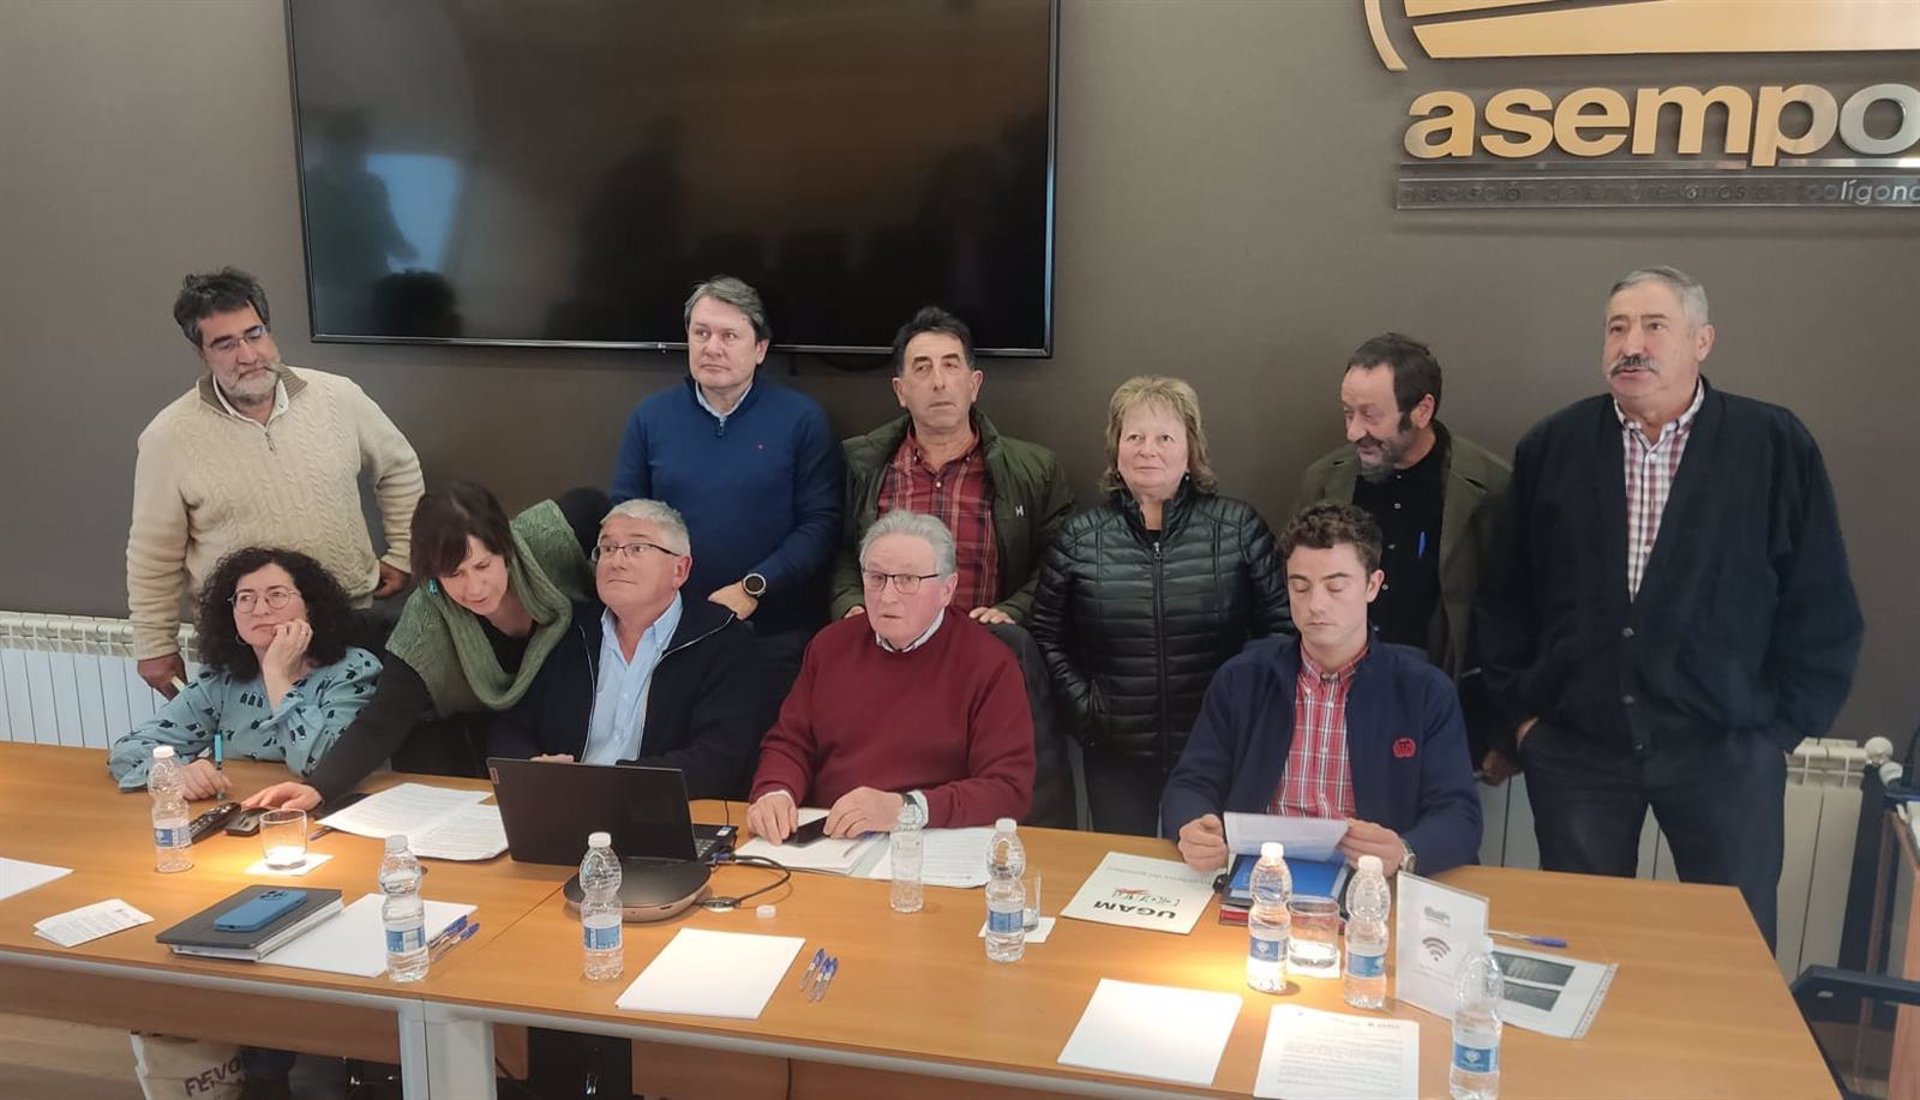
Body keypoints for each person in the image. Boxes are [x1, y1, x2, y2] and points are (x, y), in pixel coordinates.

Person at [1475, 266, 1862, 948]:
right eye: (1617, 328)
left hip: (1725, 750)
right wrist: (1525, 720)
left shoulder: (1773, 444)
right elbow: (1505, 595)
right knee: (1581, 942)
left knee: (1731, 951)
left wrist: (1776, 732)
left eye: (1655, 326)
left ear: (1702, 341)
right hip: (1580, 751)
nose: (1632, 345)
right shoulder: (1553, 446)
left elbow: (1821, 599)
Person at [128, 267, 423, 699]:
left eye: (254, 334)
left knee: (357, 740)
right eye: (225, 344)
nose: (247, 355)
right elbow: (153, 552)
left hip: (348, 625)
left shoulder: (339, 397)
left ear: (268, 329)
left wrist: (405, 551)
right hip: (245, 643)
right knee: (259, 744)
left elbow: (400, 469)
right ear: (201, 352)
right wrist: (154, 643)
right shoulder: (167, 436)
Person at [1028, 376, 1289, 835]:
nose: (1148, 450)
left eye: (1165, 438)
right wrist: (1089, 713)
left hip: (1217, 750)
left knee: (1208, 869)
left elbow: (1282, 629)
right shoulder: (1081, 537)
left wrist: (1242, 710)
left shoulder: (1238, 529)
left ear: (1191, 450)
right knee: (1124, 873)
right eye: (1135, 437)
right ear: (1117, 449)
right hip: (1116, 757)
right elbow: (1046, 636)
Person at [1163, 503, 1482, 876]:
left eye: (1335, 586)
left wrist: (1406, 850)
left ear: (1372, 585)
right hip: (1262, 871)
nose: (1315, 604)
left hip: (1370, 879)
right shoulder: (1242, 679)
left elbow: (1459, 815)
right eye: (1300, 587)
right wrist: (1193, 826)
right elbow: (1190, 784)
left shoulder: (1424, 691)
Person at [244, 482, 602, 812]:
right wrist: (318, 787)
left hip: (592, 699)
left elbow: (598, 506)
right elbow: (381, 720)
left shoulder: (546, 538)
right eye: (454, 575)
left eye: (482, 565)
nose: (475, 588)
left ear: (504, 547)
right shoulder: (424, 623)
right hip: (503, 740)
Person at [609, 276, 843, 688]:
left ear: (760, 349)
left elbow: (821, 525)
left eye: (729, 336)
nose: (712, 347)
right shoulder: (650, 417)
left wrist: (754, 587)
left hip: (773, 631)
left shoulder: (802, 420)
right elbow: (625, 518)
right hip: (669, 629)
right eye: (701, 333)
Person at [1294, 333, 1511, 777]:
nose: (1354, 431)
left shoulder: (1490, 489)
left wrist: (1502, 732)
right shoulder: (1325, 480)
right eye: (1348, 413)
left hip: (1439, 717)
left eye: (1371, 415)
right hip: (1333, 715)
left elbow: (1512, 618)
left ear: (1422, 410)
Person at [746, 511, 1035, 842]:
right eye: (876, 578)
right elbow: (790, 742)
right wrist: (775, 792)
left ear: (947, 589)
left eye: (907, 580)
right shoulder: (830, 646)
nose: (887, 596)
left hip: (931, 842)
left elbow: (1008, 788)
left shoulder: (989, 662)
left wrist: (907, 809)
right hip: (831, 838)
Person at [488, 500, 773, 799]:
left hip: (659, 807)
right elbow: (510, 727)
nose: (616, 561)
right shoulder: (569, 630)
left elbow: (719, 759)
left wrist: (615, 785)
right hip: (559, 802)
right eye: (607, 548)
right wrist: (531, 766)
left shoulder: (721, 639)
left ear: (680, 570)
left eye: (637, 548)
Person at [830, 306, 1073, 626]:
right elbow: (841, 553)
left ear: (974, 384)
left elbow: (1056, 561)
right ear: (900, 391)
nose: (939, 382)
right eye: (922, 368)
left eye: (950, 365)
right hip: (886, 641)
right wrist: (851, 604)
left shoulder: (1036, 470)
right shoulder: (860, 464)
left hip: (986, 643)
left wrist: (1014, 610)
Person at [107, 547, 380, 793]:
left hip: (328, 811)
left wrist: (276, 675)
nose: (259, 610)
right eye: (246, 598)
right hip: (242, 807)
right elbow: (128, 751)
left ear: (311, 607)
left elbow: (324, 767)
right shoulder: (222, 679)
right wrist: (176, 773)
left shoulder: (353, 670)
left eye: (277, 595)